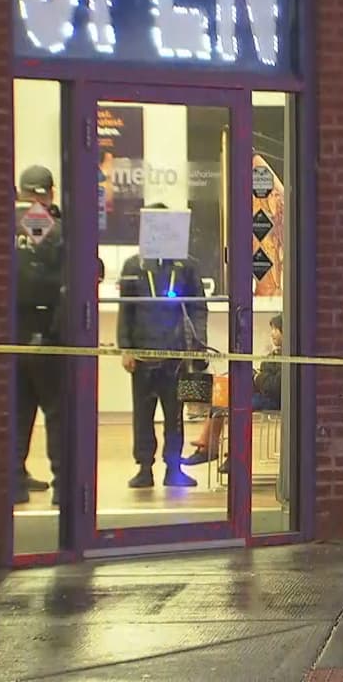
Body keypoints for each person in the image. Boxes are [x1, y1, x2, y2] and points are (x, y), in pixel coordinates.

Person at [118, 203, 206, 489]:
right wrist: (126, 348)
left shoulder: (186, 266)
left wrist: (199, 344)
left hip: (175, 354)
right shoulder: (134, 266)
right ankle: (144, 467)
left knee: (175, 415)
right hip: (143, 353)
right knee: (142, 414)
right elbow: (125, 310)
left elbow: (198, 308)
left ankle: (174, 468)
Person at [14, 165, 66, 505]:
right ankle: (63, 485)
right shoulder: (40, 224)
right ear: (49, 193)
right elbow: (68, 266)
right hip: (46, 333)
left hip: (11, 333)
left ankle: (14, 480)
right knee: (57, 413)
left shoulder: (3, 222)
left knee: (18, 411)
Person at [184, 314, 284, 469]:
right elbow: (266, 374)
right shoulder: (275, 355)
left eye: (276, 329)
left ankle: (231, 454)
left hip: (275, 399)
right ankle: (208, 446)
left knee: (237, 407)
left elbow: (275, 385)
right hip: (263, 393)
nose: (272, 333)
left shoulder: (287, 358)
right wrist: (260, 377)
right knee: (224, 396)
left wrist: (258, 377)